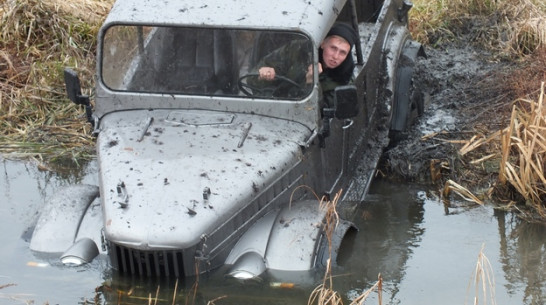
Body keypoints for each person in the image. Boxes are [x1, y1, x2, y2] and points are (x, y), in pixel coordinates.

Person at [256, 22, 357, 107]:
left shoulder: (344, 81)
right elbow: (251, 78)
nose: (335, 56)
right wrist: (263, 74)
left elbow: (319, 113)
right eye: (333, 48)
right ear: (322, 44)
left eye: (342, 52)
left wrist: (311, 84)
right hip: (270, 106)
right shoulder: (299, 49)